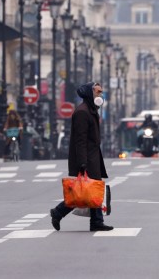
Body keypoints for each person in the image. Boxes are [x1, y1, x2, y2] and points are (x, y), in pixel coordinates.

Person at [50, 81, 113, 232]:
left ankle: (96, 221)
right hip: (86, 158)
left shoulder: (91, 110)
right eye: (98, 92)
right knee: (85, 191)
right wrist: (82, 162)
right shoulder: (82, 112)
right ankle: (58, 212)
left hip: (92, 156)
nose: (101, 95)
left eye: (101, 92)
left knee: (91, 190)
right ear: (90, 94)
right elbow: (80, 140)